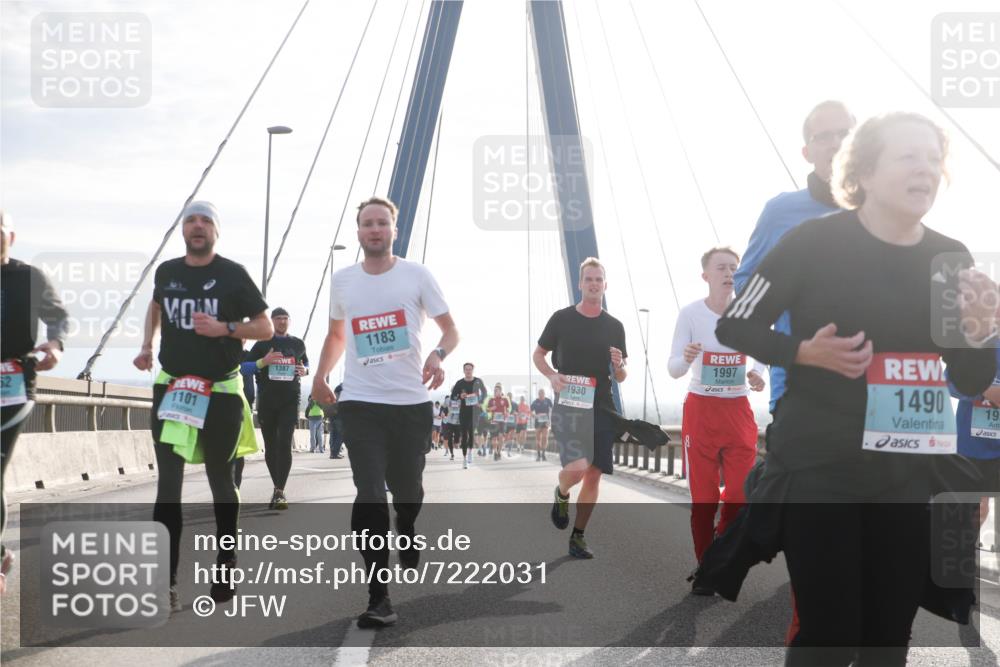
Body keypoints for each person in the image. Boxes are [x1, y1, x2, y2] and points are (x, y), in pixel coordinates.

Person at [716, 112, 998, 665]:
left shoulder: (950, 258)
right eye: (909, 157)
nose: (927, 170)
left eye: (934, 159)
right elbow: (734, 324)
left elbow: (965, 379)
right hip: (824, 465)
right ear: (864, 172)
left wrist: (978, 329)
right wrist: (801, 351)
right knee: (829, 630)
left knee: (888, 636)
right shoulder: (811, 242)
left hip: (908, 472)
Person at [311, 196, 458, 629]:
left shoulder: (417, 275)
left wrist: (437, 354)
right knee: (370, 493)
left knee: (407, 491)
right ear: (358, 232)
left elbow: (451, 328)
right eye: (366, 224)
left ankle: (407, 527)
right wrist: (320, 375)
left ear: (395, 230)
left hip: (410, 404)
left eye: (381, 223)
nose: (374, 230)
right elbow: (337, 334)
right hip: (360, 404)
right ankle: (379, 595)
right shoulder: (343, 281)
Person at [134, 201, 272, 611]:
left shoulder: (232, 275)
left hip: (222, 392)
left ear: (216, 231)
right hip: (174, 389)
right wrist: (147, 345)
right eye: (191, 220)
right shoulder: (167, 272)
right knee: (169, 487)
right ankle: (167, 583)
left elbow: (263, 326)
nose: (198, 226)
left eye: (206, 220)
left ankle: (226, 562)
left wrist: (225, 328)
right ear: (182, 230)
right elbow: (156, 305)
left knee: (220, 480)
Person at [668, 246, 766, 582]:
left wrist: (757, 375)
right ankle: (707, 566)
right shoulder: (691, 315)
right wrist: (686, 355)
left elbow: (762, 356)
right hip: (701, 410)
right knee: (705, 500)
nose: (729, 273)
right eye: (721, 267)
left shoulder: (750, 313)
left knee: (739, 495)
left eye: (734, 268)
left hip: (738, 410)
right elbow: (674, 369)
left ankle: (721, 549)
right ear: (706, 276)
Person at [533, 257, 627, 559]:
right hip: (570, 404)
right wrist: (551, 375)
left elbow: (622, 375)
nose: (594, 284)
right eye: (589, 279)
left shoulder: (615, 326)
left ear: (605, 285)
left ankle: (578, 536)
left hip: (602, 405)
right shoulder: (561, 319)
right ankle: (561, 493)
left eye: (599, 279)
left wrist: (619, 365)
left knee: (594, 473)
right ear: (580, 283)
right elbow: (538, 354)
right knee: (576, 470)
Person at [0, 211, 70, 595]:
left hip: (14, 384)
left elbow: (57, 316)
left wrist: (56, 344)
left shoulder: (29, 276)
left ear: (11, 234)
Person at [246, 307, 308, 510]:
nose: (282, 322)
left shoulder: (297, 344)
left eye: (285, 318)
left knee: (284, 444)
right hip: (267, 400)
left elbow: (305, 364)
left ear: (289, 321)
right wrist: (264, 362)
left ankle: (280, 490)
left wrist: (304, 370)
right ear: (272, 321)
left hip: (290, 399)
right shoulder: (262, 344)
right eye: (278, 318)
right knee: (271, 445)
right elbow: (246, 366)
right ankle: (276, 487)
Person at [450, 363, 487, 466]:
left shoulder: (478, 381)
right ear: (463, 371)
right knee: (464, 434)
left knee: (471, 433)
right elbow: (453, 396)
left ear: (473, 370)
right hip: (464, 411)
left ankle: (470, 452)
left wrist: (481, 401)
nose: (468, 371)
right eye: (466, 369)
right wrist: (460, 396)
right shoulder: (460, 383)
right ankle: (464, 458)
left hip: (475, 411)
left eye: (470, 369)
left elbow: (485, 392)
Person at [487, 384, 509, 461]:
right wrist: (491, 408)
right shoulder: (491, 400)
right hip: (494, 421)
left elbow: (508, 410)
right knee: (494, 438)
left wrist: (507, 413)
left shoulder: (505, 400)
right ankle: (495, 452)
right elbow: (487, 409)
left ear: (501, 391)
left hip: (502, 421)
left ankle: (499, 452)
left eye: (497, 390)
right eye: (495, 390)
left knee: (501, 437)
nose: (496, 392)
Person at [531, 389, 553, 461]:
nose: (541, 395)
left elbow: (553, 409)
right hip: (538, 422)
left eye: (542, 394)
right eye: (540, 394)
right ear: (538, 394)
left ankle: (543, 453)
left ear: (544, 394)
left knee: (545, 437)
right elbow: (530, 412)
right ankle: (538, 454)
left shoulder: (548, 401)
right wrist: (535, 415)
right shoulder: (535, 402)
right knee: (538, 439)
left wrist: (551, 419)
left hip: (545, 422)